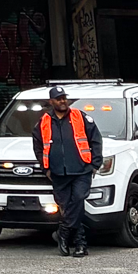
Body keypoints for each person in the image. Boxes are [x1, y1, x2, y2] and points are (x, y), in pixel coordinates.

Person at [36, 85, 102, 257]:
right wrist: (45, 168)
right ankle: (80, 244)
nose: (63, 101)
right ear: (51, 102)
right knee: (67, 207)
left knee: (78, 199)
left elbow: (96, 139)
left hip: (81, 169)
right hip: (58, 172)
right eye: (59, 99)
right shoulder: (44, 121)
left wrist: (95, 164)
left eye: (64, 98)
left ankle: (63, 232)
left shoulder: (80, 116)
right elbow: (38, 145)